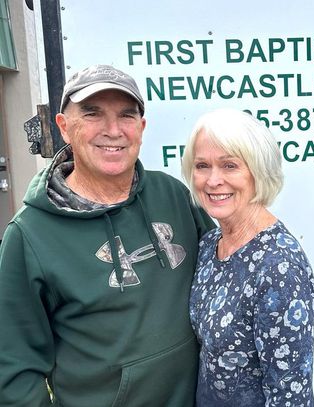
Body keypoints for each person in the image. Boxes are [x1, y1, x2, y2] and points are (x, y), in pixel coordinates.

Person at [0, 65, 215, 406]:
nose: (113, 130)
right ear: (64, 127)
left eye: (126, 116)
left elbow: (221, 278)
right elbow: (13, 369)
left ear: (141, 128)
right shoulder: (29, 235)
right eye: (92, 114)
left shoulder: (173, 195)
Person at [181, 108, 314, 406]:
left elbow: (289, 395)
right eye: (202, 165)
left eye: (230, 166)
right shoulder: (210, 244)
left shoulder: (279, 266)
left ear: (257, 172)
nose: (213, 180)